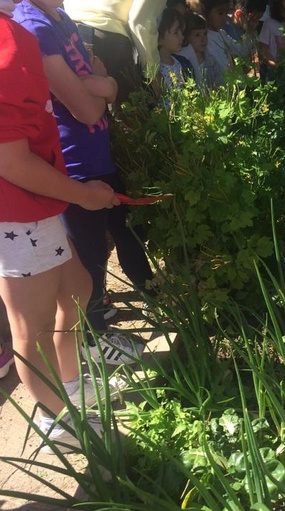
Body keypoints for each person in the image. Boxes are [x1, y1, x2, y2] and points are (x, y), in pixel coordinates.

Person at [0, 0, 120, 452]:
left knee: (77, 289)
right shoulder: (8, 41)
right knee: (29, 330)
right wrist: (84, 195)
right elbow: (10, 158)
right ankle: (57, 422)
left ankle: (68, 385)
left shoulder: (14, 33)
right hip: (17, 211)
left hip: (34, 204)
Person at [14, 0, 151, 367]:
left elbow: (87, 81)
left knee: (100, 252)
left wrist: (96, 84)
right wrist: (105, 85)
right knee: (86, 262)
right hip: (73, 165)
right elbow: (87, 108)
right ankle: (92, 345)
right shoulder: (34, 24)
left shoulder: (60, 17)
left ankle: (97, 322)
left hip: (94, 155)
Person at [62, 0, 167, 107]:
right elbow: (141, 23)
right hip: (108, 42)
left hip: (69, 34)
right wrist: (153, 72)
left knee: (81, 111)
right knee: (128, 115)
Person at [189, 0, 242, 77]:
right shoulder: (204, 39)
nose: (224, 18)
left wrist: (249, 30)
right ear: (206, 13)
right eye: (220, 13)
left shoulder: (222, 33)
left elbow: (239, 50)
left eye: (226, 13)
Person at [177, 12, 224, 90]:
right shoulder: (184, 62)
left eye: (205, 34)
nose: (203, 39)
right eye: (197, 35)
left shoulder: (210, 59)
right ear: (186, 37)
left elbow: (220, 80)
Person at [156, 8, 187, 94]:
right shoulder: (157, 69)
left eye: (181, 31)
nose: (182, 36)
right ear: (159, 39)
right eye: (176, 32)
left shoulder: (177, 62)